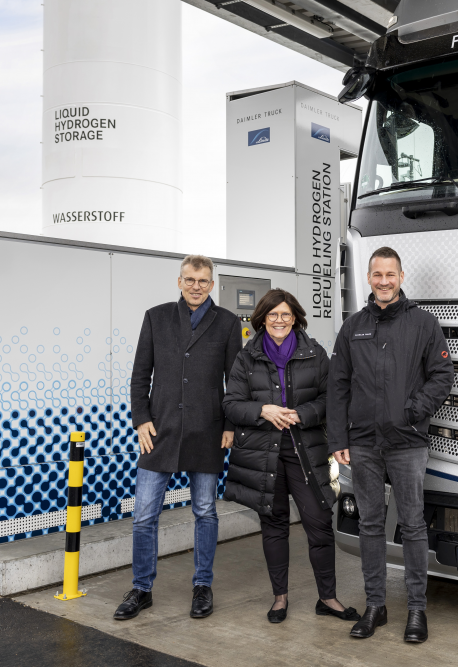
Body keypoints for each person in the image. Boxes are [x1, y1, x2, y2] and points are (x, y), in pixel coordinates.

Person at [327, 246, 454, 644]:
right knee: (368, 525)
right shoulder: (353, 328)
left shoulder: (424, 324)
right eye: (377, 274)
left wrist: (413, 411)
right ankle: (375, 606)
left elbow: (442, 375)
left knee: (413, 526)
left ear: (401, 277)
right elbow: (338, 386)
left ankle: (416, 609)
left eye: (391, 274)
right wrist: (337, 439)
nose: (384, 281)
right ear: (369, 278)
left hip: (407, 443)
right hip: (362, 443)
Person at [114, 255, 242, 621]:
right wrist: (141, 420)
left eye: (203, 281)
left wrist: (231, 426)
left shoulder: (228, 324)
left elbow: (235, 384)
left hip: (208, 431)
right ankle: (141, 589)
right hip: (160, 432)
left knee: (204, 511)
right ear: (179, 281)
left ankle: (202, 586)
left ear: (212, 284)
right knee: (143, 515)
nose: (196, 286)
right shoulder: (156, 317)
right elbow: (140, 376)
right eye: (190, 280)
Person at [223, 289, 359, 624]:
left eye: (285, 315)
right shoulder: (247, 357)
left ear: (295, 317)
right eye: (272, 315)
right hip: (262, 453)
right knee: (274, 524)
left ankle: (327, 598)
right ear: (262, 319)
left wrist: (302, 413)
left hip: (305, 451)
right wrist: (263, 410)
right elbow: (231, 404)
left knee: (319, 524)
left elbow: (333, 398)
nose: (279, 321)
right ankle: (280, 598)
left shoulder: (315, 353)